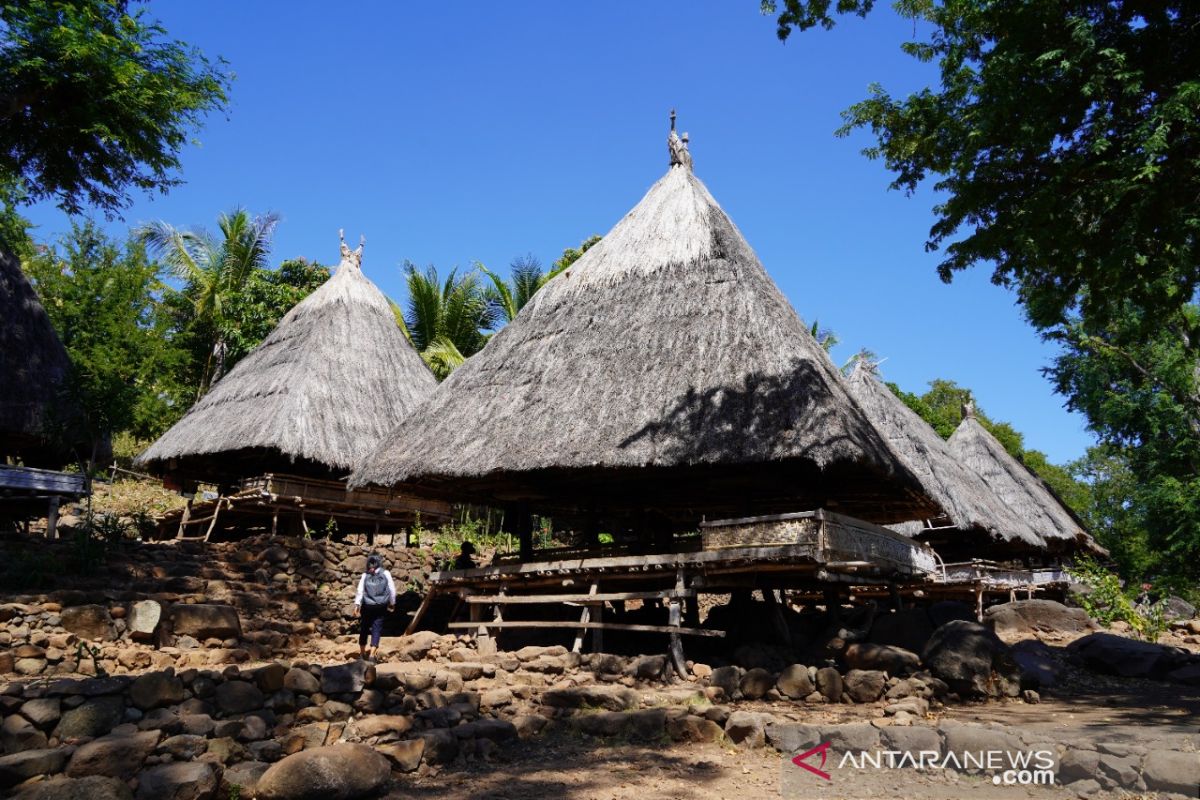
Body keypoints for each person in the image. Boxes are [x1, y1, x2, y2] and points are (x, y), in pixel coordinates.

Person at [353, 553, 395, 662]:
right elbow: (392, 589)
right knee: (377, 628)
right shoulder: (386, 573)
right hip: (381, 606)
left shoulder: (365, 575)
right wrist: (392, 603)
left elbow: (360, 591)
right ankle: (372, 655)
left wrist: (357, 605)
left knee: (364, 628)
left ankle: (362, 654)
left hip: (367, 606)